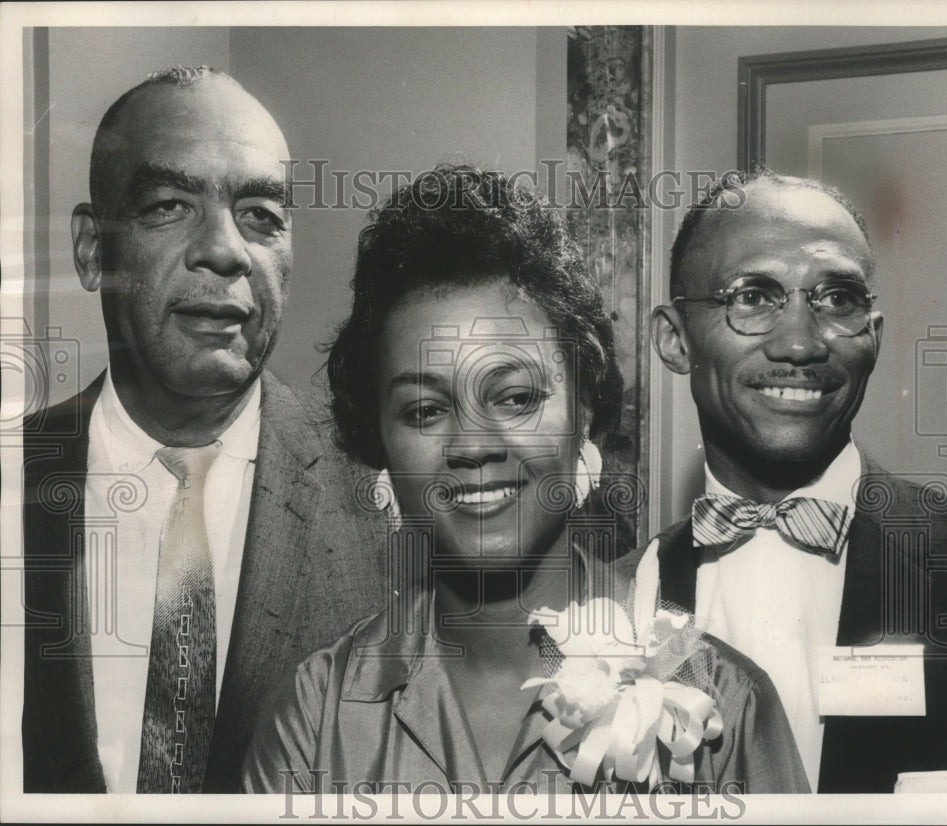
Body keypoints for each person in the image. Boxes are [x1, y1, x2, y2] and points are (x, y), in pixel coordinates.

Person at [242, 165, 809, 795]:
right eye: (425, 411)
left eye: (514, 398)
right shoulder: (313, 716)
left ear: (583, 415)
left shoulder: (722, 704)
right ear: (380, 444)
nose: (475, 445)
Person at [21, 66, 385, 793]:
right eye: (169, 206)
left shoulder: (388, 497)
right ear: (93, 251)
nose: (226, 251)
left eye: (260, 216)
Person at [647, 169, 947, 793]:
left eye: (837, 300)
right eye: (752, 296)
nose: (798, 344)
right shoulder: (619, 590)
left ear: (872, 338)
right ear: (676, 340)